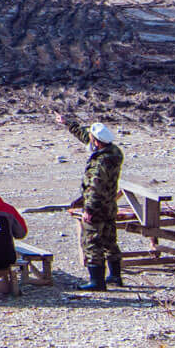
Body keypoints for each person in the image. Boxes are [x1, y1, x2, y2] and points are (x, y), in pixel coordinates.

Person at [57, 114, 124, 291]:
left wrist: (89, 209)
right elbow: (87, 137)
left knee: (92, 241)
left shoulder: (99, 163)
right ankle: (116, 276)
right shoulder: (114, 152)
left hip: (98, 206)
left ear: (98, 143)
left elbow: (95, 187)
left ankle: (97, 282)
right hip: (110, 205)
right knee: (110, 240)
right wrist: (68, 124)